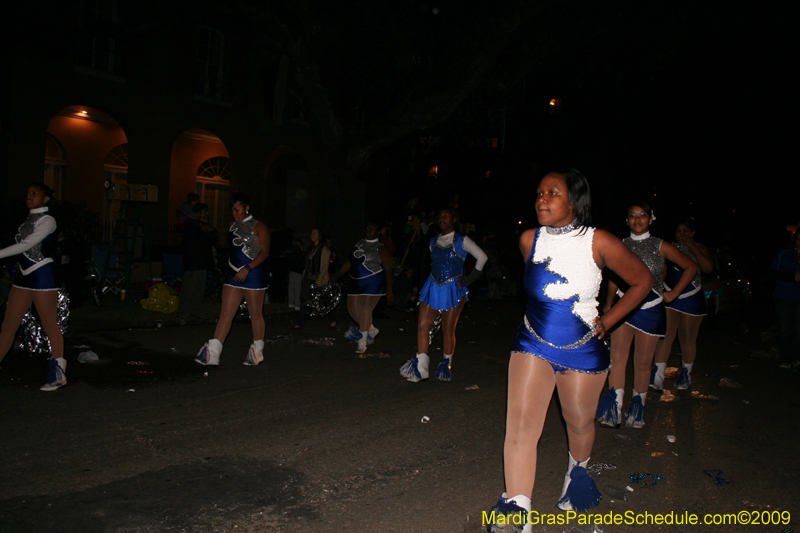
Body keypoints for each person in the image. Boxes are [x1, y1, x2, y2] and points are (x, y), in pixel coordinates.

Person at [485, 171, 653, 531]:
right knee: (520, 427)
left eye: (552, 193)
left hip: (584, 350)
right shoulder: (529, 240)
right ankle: (518, 510)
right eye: (539, 192)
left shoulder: (600, 241)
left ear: (574, 202)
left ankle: (576, 474)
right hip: (532, 342)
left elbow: (642, 282)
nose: (541, 199)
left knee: (578, 423)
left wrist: (608, 321)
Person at [596, 202, 698, 430]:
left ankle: (637, 410)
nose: (637, 219)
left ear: (651, 219)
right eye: (632, 216)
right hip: (624, 308)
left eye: (642, 215)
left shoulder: (660, 245)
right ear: (626, 220)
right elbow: (613, 277)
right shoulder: (619, 245)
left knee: (642, 363)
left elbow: (691, 267)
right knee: (617, 360)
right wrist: (609, 304)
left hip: (651, 308)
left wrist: (673, 294)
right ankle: (615, 410)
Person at [399, 207, 487, 382]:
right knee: (423, 324)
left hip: (453, 288)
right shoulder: (433, 241)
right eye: (439, 217)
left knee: (448, 330)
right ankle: (421, 368)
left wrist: (469, 280)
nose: (442, 219)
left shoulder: (462, 240)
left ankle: (446, 364)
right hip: (433, 286)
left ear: (454, 219)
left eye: (446, 216)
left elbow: (482, 257)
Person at [0, 183, 66, 391]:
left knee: (49, 325)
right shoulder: (29, 219)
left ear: (46, 198)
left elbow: (26, 246)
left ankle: (58, 374)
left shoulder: (48, 220)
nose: (29, 196)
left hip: (43, 277)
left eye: (35, 194)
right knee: (8, 325)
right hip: (24, 276)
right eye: (28, 193)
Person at [195, 193, 270, 366]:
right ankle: (213, 353)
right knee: (226, 315)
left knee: (255, 314)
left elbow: (265, 252)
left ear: (246, 208)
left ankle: (257, 351)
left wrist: (248, 268)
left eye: (237, 209)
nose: (234, 213)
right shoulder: (231, 225)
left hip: (253, 275)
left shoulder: (259, 226)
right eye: (232, 210)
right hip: (233, 274)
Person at [651, 217, 715, 389]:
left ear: (692, 233)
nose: (681, 235)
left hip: (692, 297)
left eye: (685, 231)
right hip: (670, 296)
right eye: (679, 231)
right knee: (665, 336)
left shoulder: (699, 248)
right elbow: (661, 271)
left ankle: (686, 375)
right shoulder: (669, 247)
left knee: (687, 338)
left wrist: (692, 246)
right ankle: (658, 376)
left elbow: (708, 268)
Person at [332, 223, 394, 353]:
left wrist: (389, 291)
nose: (369, 230)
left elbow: (388, 270)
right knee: (353, 312)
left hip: (373, 282)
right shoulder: (358, 245)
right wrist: (334, 277)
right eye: (367, 228)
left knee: (365, 309)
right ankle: (371, 329)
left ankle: (363, 340)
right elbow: (349, 263)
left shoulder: (381, 248)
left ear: (378, 232)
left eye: (372, 228)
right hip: (356, 283)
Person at [177, 203, 217, 322]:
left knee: (199, 289)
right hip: (193, 262)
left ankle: (195, 310)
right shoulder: (191, 224)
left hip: (201, 261)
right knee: (189, 288)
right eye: (205, 212)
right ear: (198, 213)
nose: (207, 214)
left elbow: (213, 236)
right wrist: (207, 231)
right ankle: (183, 312)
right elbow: (199, 240)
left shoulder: (201, 225)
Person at [769, 229, 800, 369]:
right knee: (785, 329)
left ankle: (796, 357)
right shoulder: (785, 254)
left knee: (797, 329)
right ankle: (786, 359)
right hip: (784, 297)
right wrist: (792, 277)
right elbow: (773, 272)